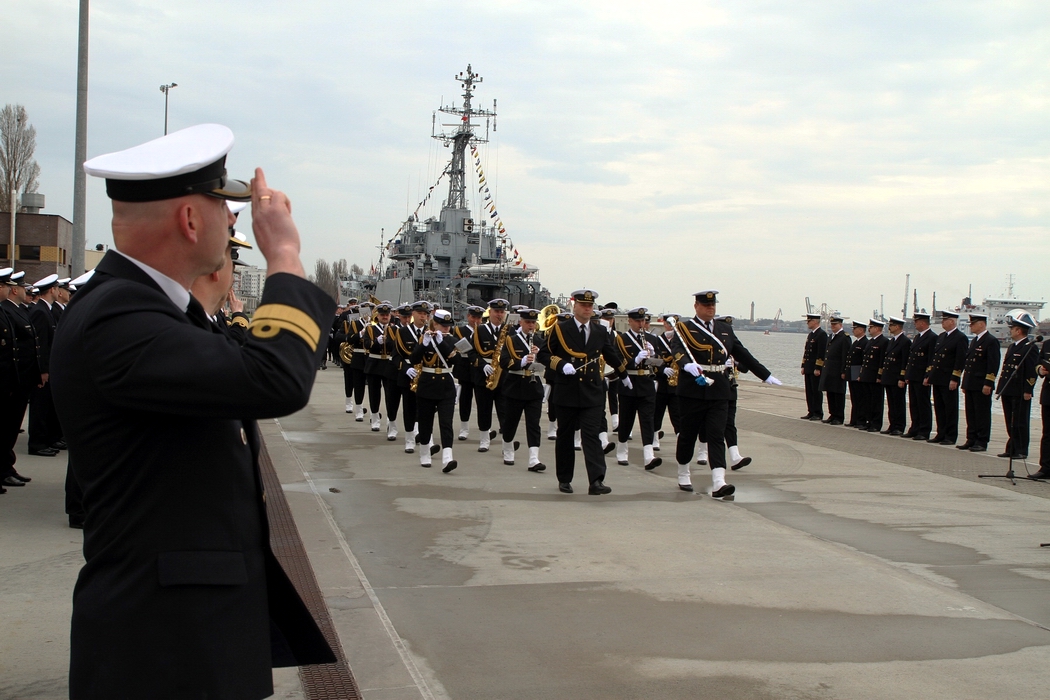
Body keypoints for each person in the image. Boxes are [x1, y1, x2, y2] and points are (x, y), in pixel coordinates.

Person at [53, 124, 334, 698]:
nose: (234, 223)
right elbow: (274, 378)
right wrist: (284, 255)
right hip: (164, 648)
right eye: (225, 208)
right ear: (189, 219)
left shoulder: (148, 311)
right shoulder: (120, 317)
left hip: (186, 635)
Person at [670, 291, 781, 498]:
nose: (710, 308)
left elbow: (742, 353)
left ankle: (719, 480)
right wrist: (686, 365)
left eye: (712, 305)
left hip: (719, 389)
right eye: (706, 305)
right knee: (688, 434)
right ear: (696, 306)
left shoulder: (724, 329)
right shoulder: (684, 328)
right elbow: (677, 350)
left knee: (716, 435)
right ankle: (683, 472)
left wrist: (765, 375)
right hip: (692, 390)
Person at [538, 289, 629, 495]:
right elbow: (544, 354)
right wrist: (560, 364)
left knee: (591, 436)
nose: (587, 309)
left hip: (592, 391)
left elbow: (611, 354)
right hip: (567, 390)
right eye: (583, 305)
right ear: (575, 306)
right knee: (565, 436)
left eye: (590, 306)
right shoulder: (560, 329)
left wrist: (624, 374)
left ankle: (596, 480)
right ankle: (564, 478)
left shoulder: (599, 331)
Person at [497, 308, 546, 471]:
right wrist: (522, 360)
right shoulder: (511, 340)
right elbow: (504, 362)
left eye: (533, 322)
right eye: (528, 322)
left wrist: (539, 357)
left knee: (534, 424)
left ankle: (534, 458)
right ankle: (508, 448)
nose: (531, 325)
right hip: (515, 385)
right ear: (521, 322)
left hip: (534, 386)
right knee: (511, 421)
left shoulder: (539, 341)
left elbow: (547, 360)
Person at [408, 309, 457, 471]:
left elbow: (454, 358)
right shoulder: (425, 338)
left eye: (448, 326)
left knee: (446, 422)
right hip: (427, 384)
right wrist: (424, 345)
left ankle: (448, 457)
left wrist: (440, 341)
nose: (446, 328)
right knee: (425, 421)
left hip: (446, 385)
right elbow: (414, 359)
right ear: (435, 324)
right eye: (442, 326)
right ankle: (424, 453)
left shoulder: (452, 340)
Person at [614, 307, 662, 470]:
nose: (641, 324)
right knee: (626, 419)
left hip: (646, 383)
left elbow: (658, 362)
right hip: (629, 382)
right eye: (638, 321)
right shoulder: (622, 339)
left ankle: (649, 455)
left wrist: (654, 356)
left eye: (643, 321)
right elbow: (618, 362)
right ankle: (622, 450)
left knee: (648, 419)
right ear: (630, 321)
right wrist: (635, 359)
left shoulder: (652, 339)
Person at [27, 275, 63, 455]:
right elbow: (40, 344)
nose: (59, 291)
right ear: (51, 290)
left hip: (49, 368)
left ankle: (46, 440)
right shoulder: (41, 311)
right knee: (40, 407)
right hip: (42, 370)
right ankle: (37, 443)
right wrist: (42, 370)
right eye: (57, 288)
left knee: (46, 406)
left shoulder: (46, 310)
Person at [995, 311, 1037, 460]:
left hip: (1020, 390)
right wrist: (1001, 387)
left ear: (1019, 331)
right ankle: (1011, 447)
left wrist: (1028, 389)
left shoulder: (1030, 347)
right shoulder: (1013, 347)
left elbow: (1032, 371)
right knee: (1010, 421)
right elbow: (1006, 369)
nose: (1010, 331)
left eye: (1012, 329)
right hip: (1008, 388)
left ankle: (1021, 449)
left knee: (1020, 421)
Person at [958, 313, 1000, 452]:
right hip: (971, 382)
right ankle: (971, 438)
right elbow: (969, 364)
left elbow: (993, 364)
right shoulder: (975, 341)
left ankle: (981, 441)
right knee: (971, 412)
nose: (971, 326)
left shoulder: (990, 341)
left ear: (981, 324)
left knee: (982, 413)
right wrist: (965, 383)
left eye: (973, 324)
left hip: (981, 383)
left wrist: (988, 383)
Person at [924, 310, 967, 445]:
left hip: (948, 378)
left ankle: (950, 435)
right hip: (937, 377)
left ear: (952, 322)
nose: (942, 322)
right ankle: (941, 433)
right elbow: (934, 359)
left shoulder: (960, 338)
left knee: (950, 408)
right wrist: (929, 375)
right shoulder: (941, 336)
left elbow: (960, 360)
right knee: (939, 407)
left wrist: (955, 378)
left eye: (944, 320)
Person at [473, 298, 509, 452]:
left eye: (502, 312)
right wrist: (483, 365)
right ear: (490, 312)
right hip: (484, 375)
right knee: (484, 408)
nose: (499, 315)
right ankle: (484, 439)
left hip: (503, 376)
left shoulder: (510, 330)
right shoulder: (479, 330)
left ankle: (507, 441)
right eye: (496, 312)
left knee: (505, 409)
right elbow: (471, 352)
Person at [363, 302, 398, 433]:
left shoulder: (395, 330)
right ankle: (375, 418)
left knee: (390, 394)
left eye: (387, 315)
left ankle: (390, 418)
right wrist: (376, 342)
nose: (385, 317)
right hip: (375, 363)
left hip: (389, 364)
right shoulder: (370, 329)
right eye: (382, 315)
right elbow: (366, 345)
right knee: (374, 393)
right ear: (377, 316)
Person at [451, 305, 483, 440]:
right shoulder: (459, 330)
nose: (476, 320)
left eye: (478, 318)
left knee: (482, 400)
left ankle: (484, 428)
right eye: (473, 317)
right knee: (465, 399)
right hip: (464, 366)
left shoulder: (483, 331)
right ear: (468, 316)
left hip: (479, 368)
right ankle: (464, 428)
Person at [902, 311, 935, 440]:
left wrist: (928, 375)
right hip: (914, 375)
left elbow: (931, 359)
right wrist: (908, 374)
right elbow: (912, 358)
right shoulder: (917, 337)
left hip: (922, 376)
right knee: (914, 403)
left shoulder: (932, 337)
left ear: (922, 322)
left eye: (916, 322)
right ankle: (915, 427)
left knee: (923, 403)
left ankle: (924, 430)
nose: (914, 324)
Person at [880, 316, 910, 435]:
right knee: (891, 403)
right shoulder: (892, 341)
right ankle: (892, 424)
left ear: (897, 327)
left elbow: (904, 361)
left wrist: (902, 377)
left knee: (898, 403)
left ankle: (899, 426)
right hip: (889, 377)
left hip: (897, 377)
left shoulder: (905, 341)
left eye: (891, 325)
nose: (889, 327)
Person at [819, 314, 850, 425]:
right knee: (830, 393)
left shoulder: (844, 338)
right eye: (832, 324)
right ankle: (832, 414)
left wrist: (843, 371)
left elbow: (845, 356)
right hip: (829, 370)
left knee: (838, 394)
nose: (833, 326)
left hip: (837, 371)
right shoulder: (831, 337)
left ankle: (839, 416)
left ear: (840, 325)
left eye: (835, 324)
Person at [858, 319, 888, 432]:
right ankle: (869, 421)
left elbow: (881, 361)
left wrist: (879, 376)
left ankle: (876, 423)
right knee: (868, 400)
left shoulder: (883, 341)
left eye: (871, 327)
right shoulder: (870, 342)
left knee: (876, 401)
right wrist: (861, 374)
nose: (869, 329)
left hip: (875, 376)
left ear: (877, 328)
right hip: (866, 375)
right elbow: (865, 360)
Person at [800, 312, 827, 421]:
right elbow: (806, 352)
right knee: (809, 391)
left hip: (815, 368)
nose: (808, 323)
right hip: (808, 367)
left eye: (809, 321)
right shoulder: (811, 334)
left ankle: (817, 412)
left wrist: (818, 368)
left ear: (815, 322)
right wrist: (803, 365)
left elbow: (821, 353)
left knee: (816, 391)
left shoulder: (821, 334)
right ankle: (811, 411)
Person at [1033, 335, 1050, 479]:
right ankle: (1046, 467)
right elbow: (1038, 363)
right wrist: (1041, 370)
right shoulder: (1047, 344)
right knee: (1047, 433)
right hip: (1048, 395)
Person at [845, 320, 868, 427]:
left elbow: (863, 361)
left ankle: (861, 420)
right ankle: (854, 419)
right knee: (854, 397)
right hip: (852, 372)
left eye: (855, 329)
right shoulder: (856, 342)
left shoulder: (865, 343)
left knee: (861, 398)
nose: (853, 331)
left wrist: (860, 374)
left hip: (858, 372)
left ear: (861, 330)